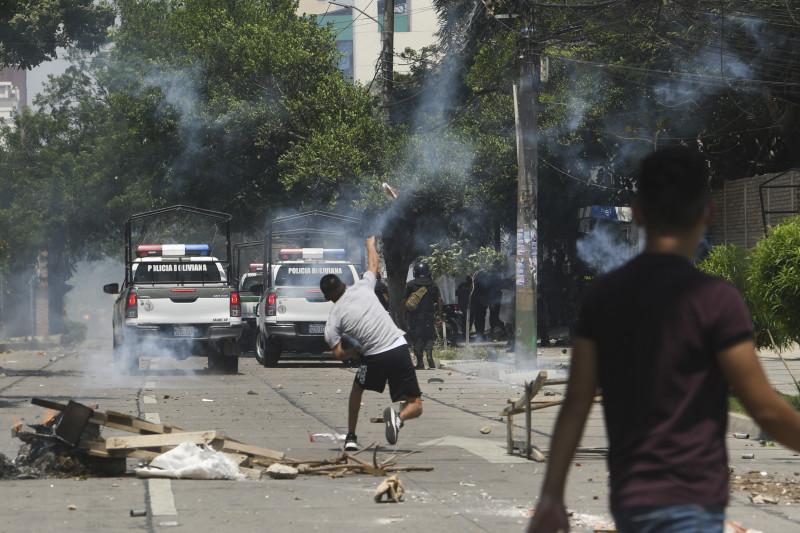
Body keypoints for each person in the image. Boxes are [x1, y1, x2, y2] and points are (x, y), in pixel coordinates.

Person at [527, 146, 800, 533]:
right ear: (709, 212)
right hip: (694, 503)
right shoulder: (716, 300)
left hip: (632, 503)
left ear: (637, 212)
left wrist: (551, 495)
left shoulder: (603, 296)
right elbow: (766, 409)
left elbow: (576, 403)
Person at [321, 236, 422, 452]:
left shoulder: (333, 319)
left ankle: (350, 436)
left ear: (326, 298)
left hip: (374, 357)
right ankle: (399, 418)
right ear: (345, 285)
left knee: (357, 388)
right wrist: (370, 245)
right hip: (397, 347)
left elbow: (338, 353)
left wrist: (351, 352)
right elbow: (374, 264)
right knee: (416, 405)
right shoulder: (363, 287)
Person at [402, 261, 443, 370]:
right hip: (429, 316)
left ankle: (420, 362)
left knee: (417, 338)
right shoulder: (433, 284)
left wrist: (404, 315)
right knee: (429, 335)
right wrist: (439, 315)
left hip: (415, 317)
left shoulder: (411, 284)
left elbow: (404, 301)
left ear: (415, 271)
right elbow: (439, 300)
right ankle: (429, 356)